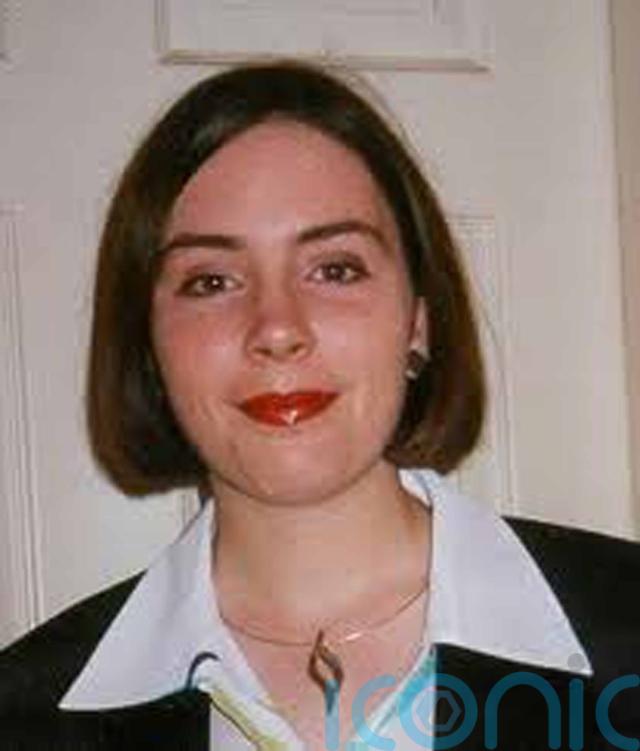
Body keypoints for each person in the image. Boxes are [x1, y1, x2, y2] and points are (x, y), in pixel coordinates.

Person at [1, 58, 639, 751]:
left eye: (335, 269)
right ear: (149, 345)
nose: (277, 328)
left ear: (418, 319)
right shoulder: (24, 715)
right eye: (211, 281)